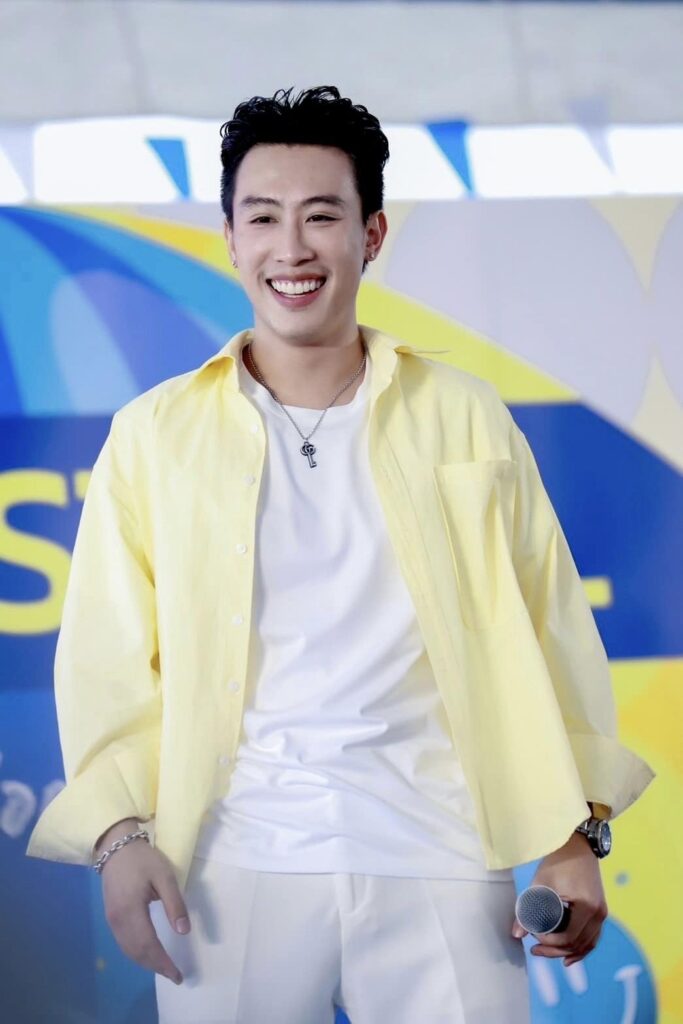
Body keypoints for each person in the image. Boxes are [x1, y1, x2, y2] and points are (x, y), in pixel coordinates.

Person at [26, 86, 655, 1024]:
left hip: (445, 853)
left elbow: (550, 629)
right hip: (231, 866)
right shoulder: (154, 434)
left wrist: (573, 837)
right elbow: (105, 660)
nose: (292, 248)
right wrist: (119, 838)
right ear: (229, 239)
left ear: (371, 234)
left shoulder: (463, 414)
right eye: (262, 218)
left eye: (322, 216)